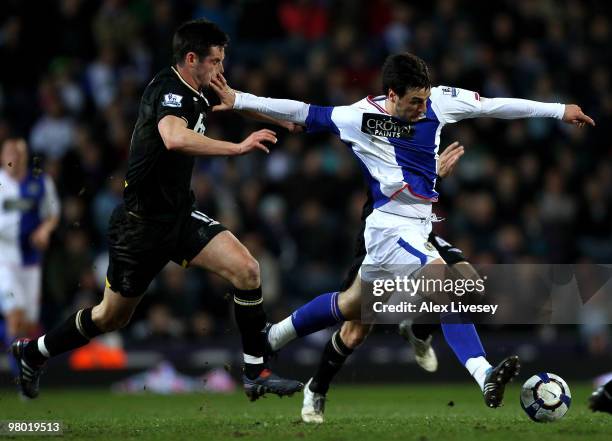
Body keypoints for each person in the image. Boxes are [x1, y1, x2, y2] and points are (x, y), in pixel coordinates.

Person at [210, 51, 595, 418]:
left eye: (425, 100)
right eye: (414, 102)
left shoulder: (440, 101)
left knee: (351, 306)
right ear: (392, 95)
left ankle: (271, 338)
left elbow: (495, 105)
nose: (423, 109)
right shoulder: (360, 116)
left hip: (419, 225)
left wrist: (559, 110)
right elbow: (301, 112)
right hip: (389, 227)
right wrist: (239, 99)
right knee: (446, 282)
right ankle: (483, 373)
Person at [10, 19, 302, 401]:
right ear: (191, 59)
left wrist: (280, 117)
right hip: (140, 227)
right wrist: (237, 147)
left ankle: (254, 372)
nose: (221, 70)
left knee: (247, 269)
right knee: (110, 317)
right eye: (214, 61)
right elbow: (173, 137)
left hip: (179, 216)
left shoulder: (201, 85)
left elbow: (234, 100)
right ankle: (34, 353)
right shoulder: (167, 90)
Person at [0, 138, 60, 378]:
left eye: (19, 152)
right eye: (9, 152)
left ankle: (24, 367)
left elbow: (52, 214)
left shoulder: (41, 182)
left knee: (27, 324)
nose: (14, 156)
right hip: (4, 260)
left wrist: (44, 230)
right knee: (15, 317)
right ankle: (21, 375)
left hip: (32, 263)